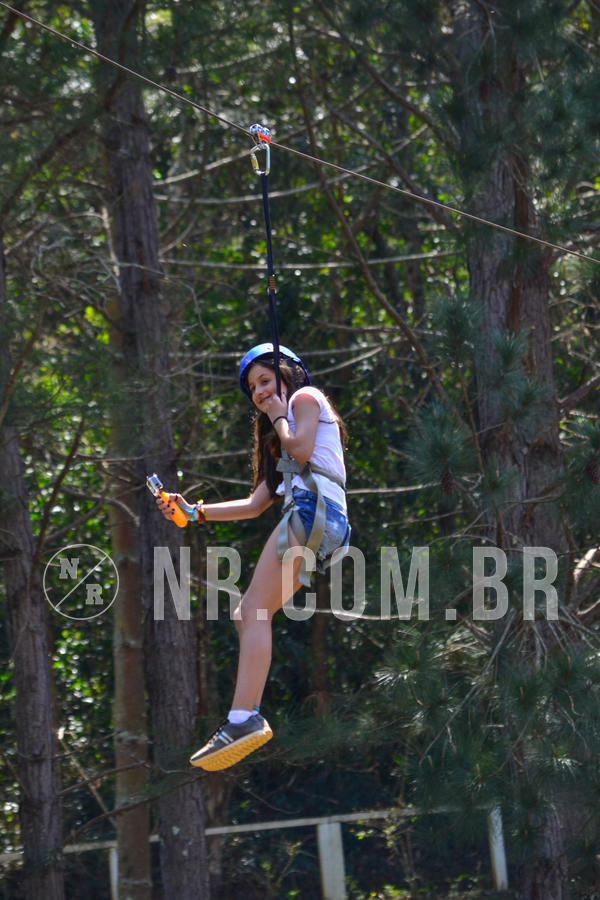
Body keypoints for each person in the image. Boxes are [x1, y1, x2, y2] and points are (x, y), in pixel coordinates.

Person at [155, 343, 350, 771]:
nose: (259, 392)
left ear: (289, 375)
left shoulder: (304, 399)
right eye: (252, 388)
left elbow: (300, 448)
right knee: (251, 614)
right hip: (323, 524)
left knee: (251, 611)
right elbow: (255, 503)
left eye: (265, 381)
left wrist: (280, 414)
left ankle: (244, 718)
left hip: (311, 514)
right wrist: (194, 512)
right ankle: (243, 717)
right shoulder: (280, 430)